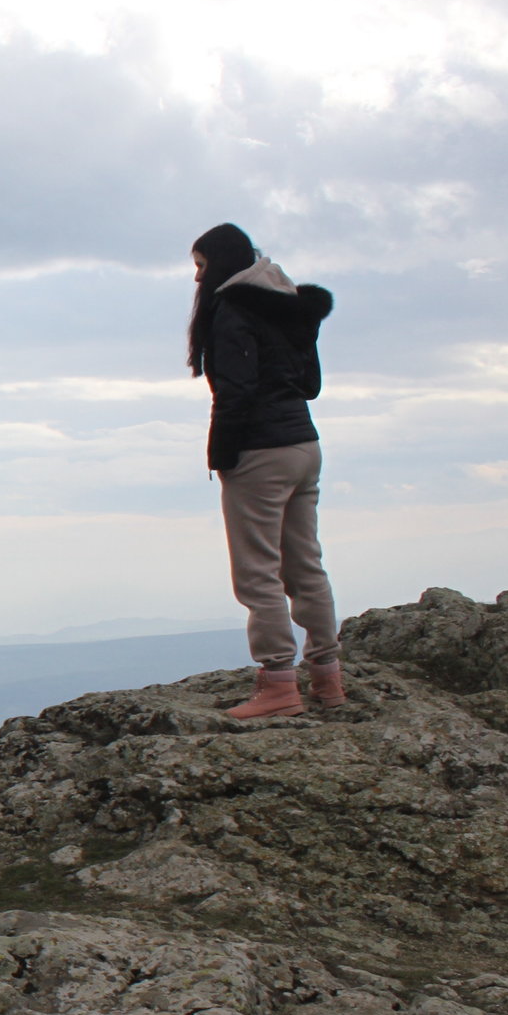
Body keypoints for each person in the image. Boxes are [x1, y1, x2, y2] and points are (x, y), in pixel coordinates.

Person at [188, 222, 344, 719]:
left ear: (221, 263)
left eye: (201, 266)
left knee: (257, 573)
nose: (198, 278)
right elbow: (311, 384)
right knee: (306, 565)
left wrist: (222, 455)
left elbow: (235, 390)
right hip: (305, 444)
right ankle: (328, 677)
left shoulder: (233, 309)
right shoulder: (292, 305)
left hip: (260, 450)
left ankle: (278, 684)